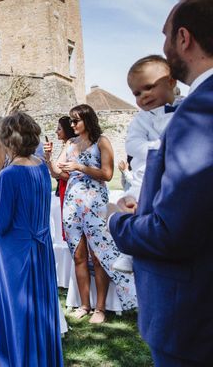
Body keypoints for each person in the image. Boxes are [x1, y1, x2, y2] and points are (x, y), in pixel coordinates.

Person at [109, 0, 213, 365]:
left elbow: (174, 232)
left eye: (166, 36)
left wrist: (118, 222)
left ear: (183, 38)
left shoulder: (199, 113)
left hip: (190, 316)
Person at [0, 112, 62, 366]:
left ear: (8, 140)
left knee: (19, 312)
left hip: (15, 253)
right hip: (41, 250)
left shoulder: (10, 175)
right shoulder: (41, 167)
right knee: (39, 310)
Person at [51, 104, 136, 323]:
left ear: (87, 120)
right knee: (78, 256)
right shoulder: (70, 143)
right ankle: (84, 304)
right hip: (71, 203)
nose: (71, 125)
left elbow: (107, 174)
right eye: (70, 121)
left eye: (75, 121)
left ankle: (100, 308)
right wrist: (49, 160)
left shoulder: (102, 141)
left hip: (94, 203)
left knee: (98, 255)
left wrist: (80, 167)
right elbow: (60, 172)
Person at [112, 55, 180, 274]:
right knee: (136, 206)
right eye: (137, 93)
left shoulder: (186, 108)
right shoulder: (141, 119)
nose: (144, 96)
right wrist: (157, 149)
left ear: (171, 82)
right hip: (146, 173)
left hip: (177, 172)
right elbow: (132, 144)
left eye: (149, 87)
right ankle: (128, 252)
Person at [43, 115, 77, 241]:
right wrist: (48, 158)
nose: (56, 131)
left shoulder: (71, 144)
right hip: (62, 187)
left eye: (59, 129)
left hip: (68, 188)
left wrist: (50, 161)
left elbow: (58, 172)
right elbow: (55, 173)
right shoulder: (66, 145)